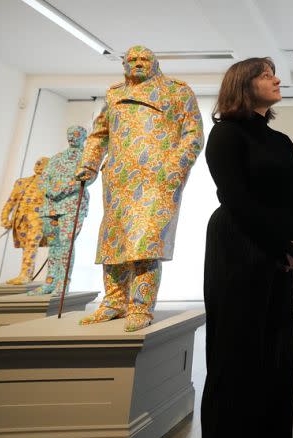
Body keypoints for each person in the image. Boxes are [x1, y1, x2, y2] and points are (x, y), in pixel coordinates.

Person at [201, 57, 293, 438]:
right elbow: (235, 197)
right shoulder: (226, 134)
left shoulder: (280, 140)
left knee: (279, 347)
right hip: (238, 248)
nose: (276, 79)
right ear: (244, 85)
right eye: (266, 75)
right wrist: (282, 245)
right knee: (237, 347)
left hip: (281, 254)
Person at [76, 45, 204, 332]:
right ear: (123, 65)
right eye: (131, 59)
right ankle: (113, 302)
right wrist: (89, 165)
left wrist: (173, 169)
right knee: (113, 242)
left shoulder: (177, 91)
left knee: (146, 243)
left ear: (155, 63)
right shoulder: (115, 94)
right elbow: (99, 134)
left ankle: (141, 307)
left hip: (157, 180)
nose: (138, 63)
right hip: (119, 179)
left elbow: (193, 134)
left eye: (144, 59)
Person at [29, 126, 91, 295]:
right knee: (53, 245)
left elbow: (87, 178)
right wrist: (50, 190)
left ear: (84, 137)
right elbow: (44, 178)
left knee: (66, 244)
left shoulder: (88, 157)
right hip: (51, 205)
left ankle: (62, 284)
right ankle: (49, 282)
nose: (72, 137)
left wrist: (62, 189)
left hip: (71, 205)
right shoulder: (57, 158)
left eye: (76, 135)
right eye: (69, 134)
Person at [0, 157, 48, 285]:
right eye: (37, 163)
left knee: (32, 244)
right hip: (21, 219)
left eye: (43, 164)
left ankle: (25, 275)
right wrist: (4, 217)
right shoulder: (21, 182)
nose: (39, 165)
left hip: (38, 219)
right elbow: (11, 201)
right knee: (26, 247)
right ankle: (25, 274)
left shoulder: (51, 184)